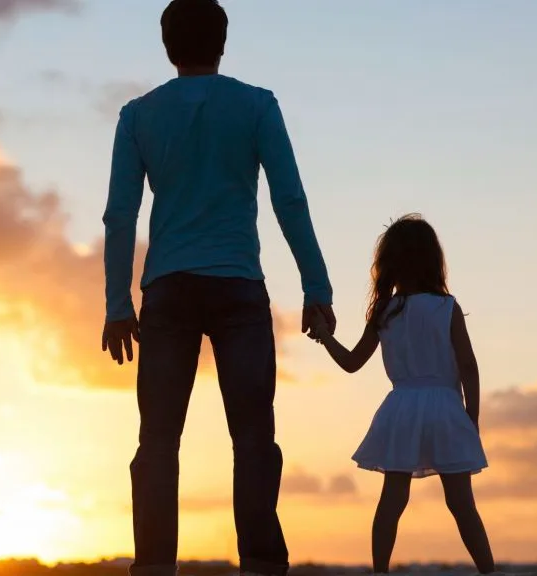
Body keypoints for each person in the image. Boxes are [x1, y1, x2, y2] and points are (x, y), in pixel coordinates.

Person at [99, 1, 334, 574]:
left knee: (157, 442)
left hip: (168, 290)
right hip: (237, 288)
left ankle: (153, 567)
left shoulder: (138, 115)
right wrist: (316, 285)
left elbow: (120, 215)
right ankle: (260, 564)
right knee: (254, 439)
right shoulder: (256, 105)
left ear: (167, 45)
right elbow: (289, 200)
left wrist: (116, 301)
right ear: (223, 41)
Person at [307, 214, 495, 574]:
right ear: (432, 260)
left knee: (392, 501)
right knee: (462, 504)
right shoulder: (447, 307)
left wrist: (324, 336)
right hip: (445, 409)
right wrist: (471, 418)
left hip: (402, 410)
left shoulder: (386, 311)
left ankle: (380, 571)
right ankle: (489, 571)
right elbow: (469, 367)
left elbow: (351, 362)